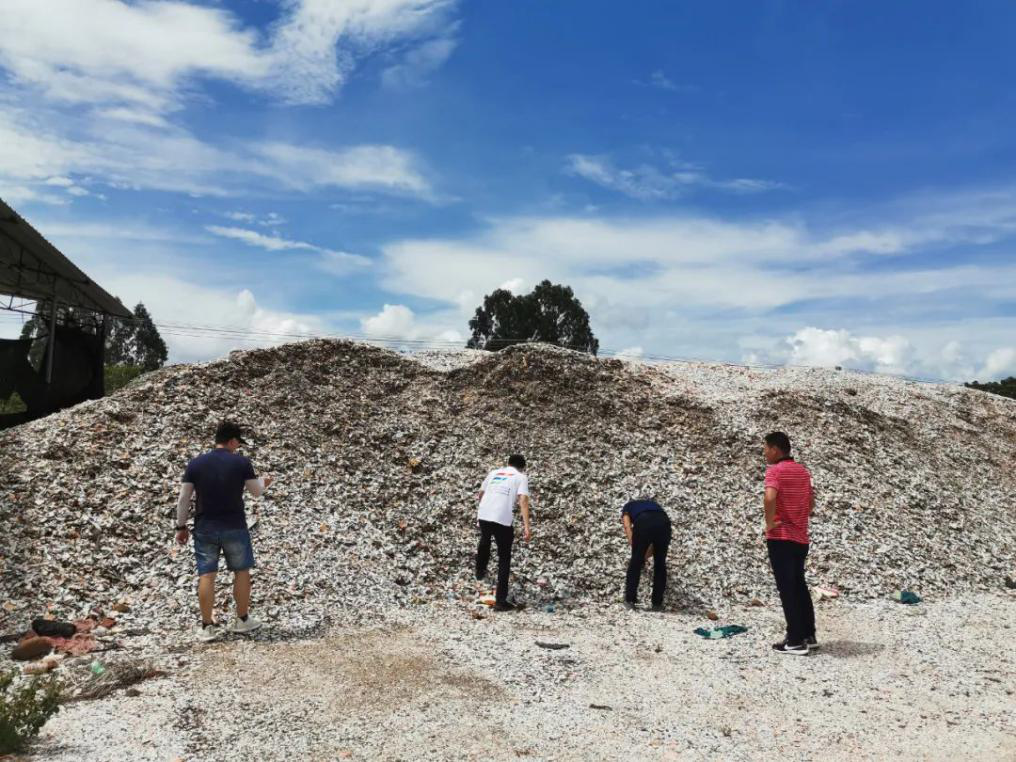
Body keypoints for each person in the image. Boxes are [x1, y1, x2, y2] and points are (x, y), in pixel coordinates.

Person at [175, 421, 273, 641]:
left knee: (207, 575)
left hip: (205, 527)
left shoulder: (196, 463)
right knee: (241, 571)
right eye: (238, 442)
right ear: (231, 441)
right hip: (234, 526)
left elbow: (183, 499)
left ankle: (206, 626)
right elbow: (256, 492)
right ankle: (242, 620)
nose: (238, 447)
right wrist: (265, 482)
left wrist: (180, 527)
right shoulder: (241, 462)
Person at [762, 431, 817, 656]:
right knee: (799, 585)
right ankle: (808, 634)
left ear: (776, 449)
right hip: (800, 537)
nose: (764, 452)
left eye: (765, 448)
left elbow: (769, 497)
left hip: (781, 537)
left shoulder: (776, 471)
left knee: (787, 589)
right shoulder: (802, 472)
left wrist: (770, 523)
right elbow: (811, 503)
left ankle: (794, 641)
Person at [475, 454, 531, 612]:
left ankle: (480, 568)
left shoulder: (494, 473)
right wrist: (527, 527)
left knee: (485, 538)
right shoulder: (521, 477)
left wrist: (486, 506)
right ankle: (500, 601)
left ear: (508, 463)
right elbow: (523, 501)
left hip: (484, 513)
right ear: (522, 467)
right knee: (504, 558)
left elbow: (480, 494)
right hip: (502, 518)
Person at [621, 498, 671, 611]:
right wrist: (646, 553)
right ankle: (657, 603)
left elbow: (627, 527)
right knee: (660, 563)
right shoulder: (654, 505)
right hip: (664, 521)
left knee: (635, 562)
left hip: (644, 520)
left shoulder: (627, 507)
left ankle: (630, 600)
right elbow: (654, 543)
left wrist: (638, 553)